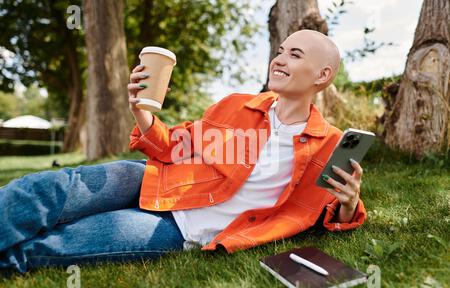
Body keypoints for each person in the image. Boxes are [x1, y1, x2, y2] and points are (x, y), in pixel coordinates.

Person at [0, 30, 367, 273]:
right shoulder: (237, 105)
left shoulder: (330, 142)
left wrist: (349, 203)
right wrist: (141, 114)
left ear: (322, 75)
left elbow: (328, 215)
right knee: (50, 188)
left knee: (57, 245)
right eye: (280, 50)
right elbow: (175, 146)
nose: (279, 59)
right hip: (157, 179)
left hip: (181, 228)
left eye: (295, 55)